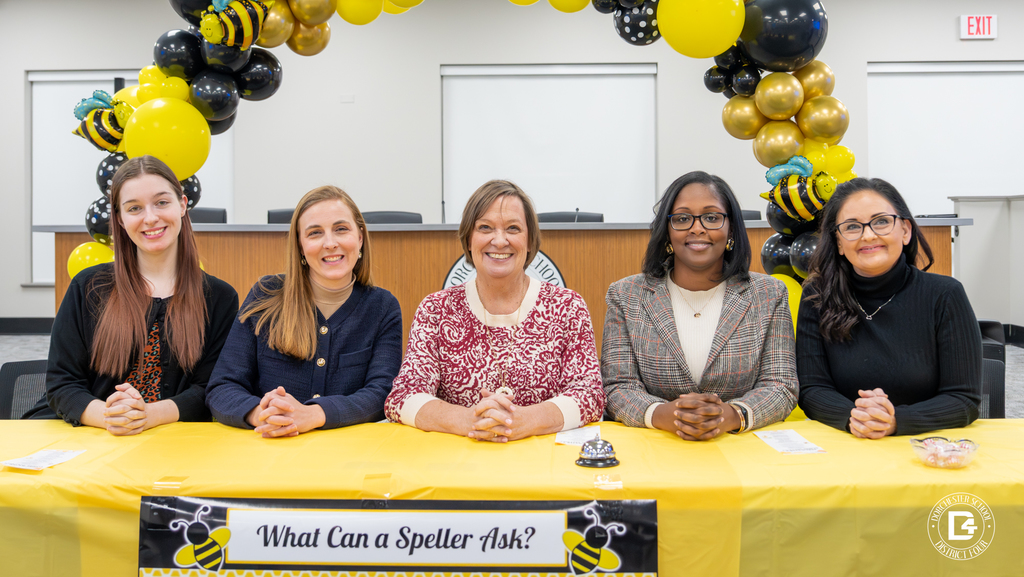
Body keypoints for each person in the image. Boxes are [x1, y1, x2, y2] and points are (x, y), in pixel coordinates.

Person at [25, 156, 238, 434]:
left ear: (183, 205)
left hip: (174, 440)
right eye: (134, 208)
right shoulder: (88, 286)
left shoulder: (219, 297)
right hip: (89, 433)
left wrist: (149, 415)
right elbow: (62, 383)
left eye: (162, 202)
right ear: (120, 220)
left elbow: (212, 389)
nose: (150, 218)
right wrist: (112, 416)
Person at [385, 180, 604, 442]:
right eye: (485, 228)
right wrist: (467, 420)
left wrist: (526, 420)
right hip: (457, 468)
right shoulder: (436, 310)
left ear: (530, 241)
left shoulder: (567, 307)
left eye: (513, 228)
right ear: (468, 239)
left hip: (546, 469)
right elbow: (403, 397)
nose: (499, 241)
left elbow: (589, 394)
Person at [602, 171, 797, 440]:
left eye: (712, 217)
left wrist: (730, 415)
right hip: (655, 450)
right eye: (682, 218)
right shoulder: (626, 295)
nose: (697, 228)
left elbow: (780, 385)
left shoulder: (769, 294)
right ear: (667, 231)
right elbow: (617, 387)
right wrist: (664, 415)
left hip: (742, 452)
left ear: (731, 228)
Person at [206, 186, 402, 437]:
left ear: (360, 238)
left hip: (348, 459)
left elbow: (382, 394)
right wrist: (262, 414)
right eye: (315, 233)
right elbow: (222, 386)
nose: (330, 243)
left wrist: (313, 415)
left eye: (341, 229)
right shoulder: (266, 293)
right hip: (269, 453)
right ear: (299, 245)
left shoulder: (383, 307)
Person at [797, 178, 981, 438]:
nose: (868, 235)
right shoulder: (817, 296)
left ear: (905, 230)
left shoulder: (945, 295)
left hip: (925, 447)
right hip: (845, 445)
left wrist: (895, 420)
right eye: (852, 227)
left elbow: (964, 398)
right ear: (838, 242)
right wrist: (854, 417)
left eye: (881, 221)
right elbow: (812, 388)